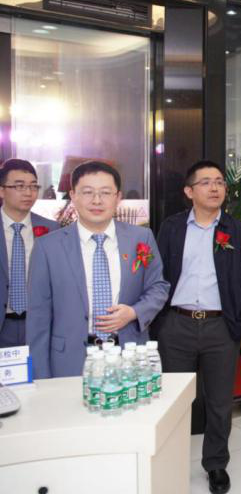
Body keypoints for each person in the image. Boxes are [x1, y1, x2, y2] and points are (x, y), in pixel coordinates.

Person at [155, 160, 241, 494]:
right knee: (173, 400)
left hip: (220, 327)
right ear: (189, 191)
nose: (215, 188)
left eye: (219, 182)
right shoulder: (171, 227)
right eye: (206, 182)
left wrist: (240, 326)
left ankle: (215, 464)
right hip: (177, 325)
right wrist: (160, 323)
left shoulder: (237, 230)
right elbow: (157, 275)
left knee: (219, 402)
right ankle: (169, 461)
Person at [26, 161, 169, 378]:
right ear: (73, 196)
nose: (96, 200)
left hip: (128, 355)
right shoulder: (48, 247)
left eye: (105, 192)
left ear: (118, 197)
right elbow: (38, 317)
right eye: (87, 192)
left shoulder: (141, 238)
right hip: (69, 360)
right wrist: (40, 378)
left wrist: (134, 312)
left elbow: (158, 287)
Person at [0, 159, 59, 348]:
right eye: (19, 186)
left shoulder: (53, 230)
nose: (28, 193)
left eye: (34, 186)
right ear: (2, 190)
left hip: (39, 324)